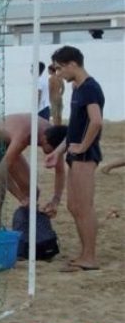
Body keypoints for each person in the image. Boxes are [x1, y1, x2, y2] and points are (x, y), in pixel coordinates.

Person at [48, 45, 103, 273]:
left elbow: (96, 121)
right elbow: (74, 129)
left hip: (85, 156)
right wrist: (58, 152)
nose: (58, 73)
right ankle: (84, 254)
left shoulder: (90, 87)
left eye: (59, 68)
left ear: (72, 64)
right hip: (75, 154)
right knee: (73, 206)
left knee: (84, 207)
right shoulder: (77, 88)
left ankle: (89, 257)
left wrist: (83, 146)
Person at [0, 113, 68, 229]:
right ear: (44, 140)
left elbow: (60, 171)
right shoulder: (25, 136)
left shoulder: (55, 135)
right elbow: (2, 171)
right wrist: (21, 197)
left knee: (33, 192)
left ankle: (25, 228)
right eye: (52, 150)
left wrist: (55, 200)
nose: (54, 153)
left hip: (9, 141)